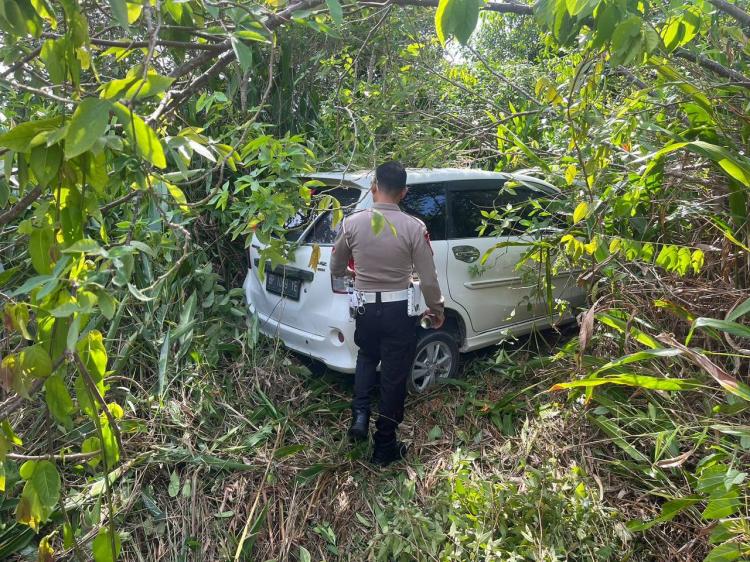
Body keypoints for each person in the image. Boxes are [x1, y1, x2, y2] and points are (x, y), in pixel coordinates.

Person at [330, 161, 445, 466]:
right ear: (404, 192)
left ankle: (360, 415)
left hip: (365, 309)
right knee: (394, 377)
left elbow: (336, 267)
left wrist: (353, 278)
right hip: (399, 311)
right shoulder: (414, 227)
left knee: (367, 357)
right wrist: (437, 309)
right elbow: (428, 277)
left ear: (374, 187)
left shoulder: (352, 223)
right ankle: (384, 447)